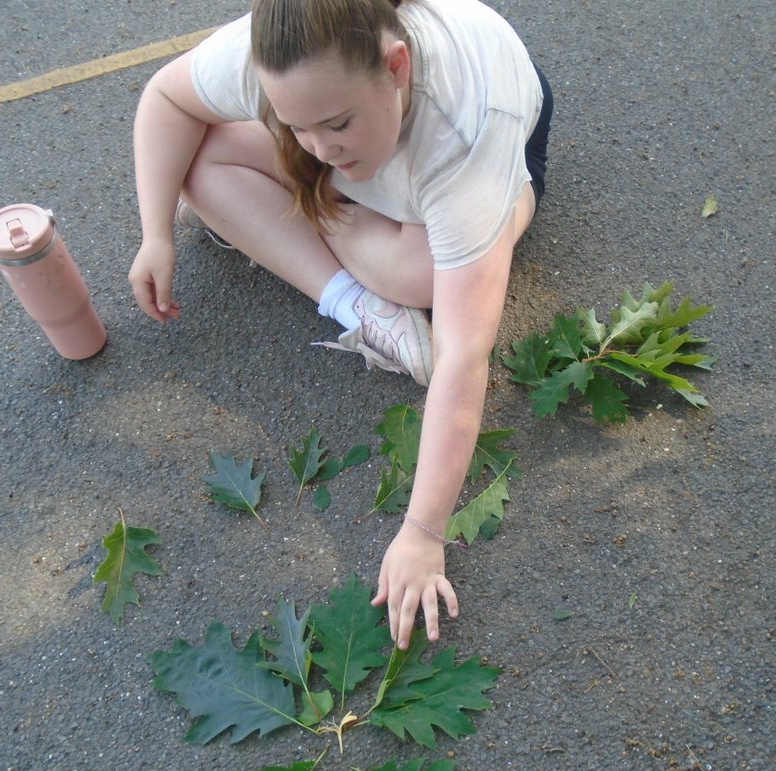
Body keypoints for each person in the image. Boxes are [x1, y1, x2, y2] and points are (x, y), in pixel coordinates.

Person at [128, 0, 553, 650]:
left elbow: (464, 351)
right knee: (197, 161)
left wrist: (423, 532)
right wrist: (155, 233)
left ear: (396, 67)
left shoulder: (466, 136)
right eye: (295, 126)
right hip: (387, 175)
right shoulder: (279, 58)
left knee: (420, 276)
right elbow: (167, 97)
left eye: (336, 123)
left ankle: (356, 244)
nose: (318, 147)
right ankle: (355, 303)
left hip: (498, 149)